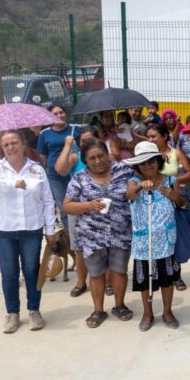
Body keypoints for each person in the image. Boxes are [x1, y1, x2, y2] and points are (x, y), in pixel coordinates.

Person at [0, 131, 56, 333]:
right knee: (9, 272)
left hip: (32, 229)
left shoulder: (37, 170)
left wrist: (50, 229)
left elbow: (48, 201)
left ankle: (34, 310)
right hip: (3, 229)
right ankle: (12, 313)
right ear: (2, 148)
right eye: (6, 145)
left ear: (23, 145)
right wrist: (9, 184)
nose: (10, 147)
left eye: (14, 143)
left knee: (31, 270)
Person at [63, 140, 135, 328]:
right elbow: (68, 205)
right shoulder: (79, 178)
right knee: (95, 273)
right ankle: (98, 310)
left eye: (101, 156)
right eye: (92, 158)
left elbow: (138, 187)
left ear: (107, 154)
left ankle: (120, 305)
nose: (97, 161)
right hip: (91, 235)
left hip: (121, 231)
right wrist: (89, 205)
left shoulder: (124, 171)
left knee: (119, 270)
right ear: (85, 160)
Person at [125, 142, 185, 331]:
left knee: (168, 279)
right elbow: (129, 195)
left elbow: (182, 203)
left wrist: (172, 195)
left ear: (158, 161)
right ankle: (147, 313)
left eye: (151, 161)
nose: (148, 166)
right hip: (144, 243)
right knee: (144, 282)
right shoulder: (134, 181)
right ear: (137, 166)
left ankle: (167, 312)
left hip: (166, 241)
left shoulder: (169, 180)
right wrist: (140, 187)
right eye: (142, 163)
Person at [146, 123, 190, 290]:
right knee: (153, 240)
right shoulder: (146, 156)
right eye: (148, 137)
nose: (150, 139)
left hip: (171, 200)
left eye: (153, 136)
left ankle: (176, 276)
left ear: (165, 137)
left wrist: (173, 181)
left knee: (173, 238)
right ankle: (155, 276)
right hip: (150, 203)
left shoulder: (176, 153)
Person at [54, 125, 100, 298]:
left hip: (101, 208)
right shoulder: (75, 157)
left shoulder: (102, 157)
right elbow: (60, 169)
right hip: (78, 209)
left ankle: (109, 281)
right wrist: (67, 145)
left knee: (106, 247)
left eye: (89, 140)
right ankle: (81, 282)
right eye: (82, 141)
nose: (86, 143)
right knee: (80, 249)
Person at [37, 105, 81, 230]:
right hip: (54, 176)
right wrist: (42, 175)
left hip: (75, 173)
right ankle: (68, 235)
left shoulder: (76, 129)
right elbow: (42, 156)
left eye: (61, 112)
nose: (59, 115)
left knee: (77, 203)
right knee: (63, 206)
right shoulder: (44, 134)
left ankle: (79, 231)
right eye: (55, 114)